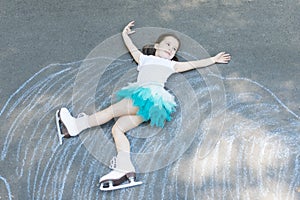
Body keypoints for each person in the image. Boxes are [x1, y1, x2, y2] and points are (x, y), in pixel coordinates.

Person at [55, 21, 231, 191]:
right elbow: (131, 48)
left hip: (149, 98)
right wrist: (125, 34)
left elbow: (194, 64)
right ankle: (124, 167)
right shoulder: (144, 59)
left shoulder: (172, 64)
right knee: (117, 129)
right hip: (147, 107)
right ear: (156, 46)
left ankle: (76, 126)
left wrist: (213, 59)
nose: (171, 49)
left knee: (110, 112)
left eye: (174, 48)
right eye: (168, 44)